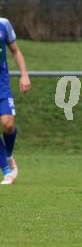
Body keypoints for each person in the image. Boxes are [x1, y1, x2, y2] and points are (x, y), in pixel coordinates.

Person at [0, 17, 31, 185]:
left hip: (2, 84)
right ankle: (7, 171)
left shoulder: (4, 25)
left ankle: (9, 155)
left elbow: (15, 51)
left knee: (8, 124)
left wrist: (24, 74)